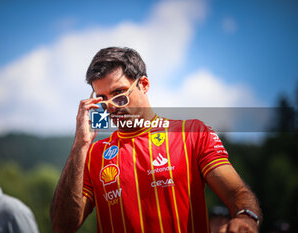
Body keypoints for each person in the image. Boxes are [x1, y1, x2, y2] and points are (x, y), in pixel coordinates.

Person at [50, 47, 262, 233]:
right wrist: (80, 145)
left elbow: (237, 192)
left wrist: (246, 218)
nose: (112, 106)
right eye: (102, 99)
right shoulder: (94, 154)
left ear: (144, 84)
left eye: (119, 93)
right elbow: (63, 226)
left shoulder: (192, 133)